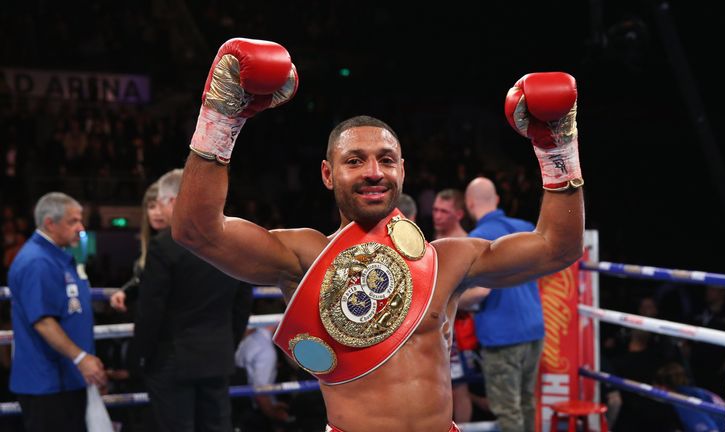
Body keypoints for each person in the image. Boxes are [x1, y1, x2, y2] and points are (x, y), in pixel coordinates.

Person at [172, 38, 584, 432]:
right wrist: (221, 118)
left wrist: (557, 151)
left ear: (402, 171)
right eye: (355, 160)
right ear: (327, 174)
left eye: (386, 160)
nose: (373, 171)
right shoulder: (305, 255)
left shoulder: (448, 259)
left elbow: (557, 248)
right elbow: (197, 231)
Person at [131, 169, 253, 432]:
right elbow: (243, 301)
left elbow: (151, 310)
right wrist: (226, 342)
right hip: (216, 356)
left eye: (162, 203)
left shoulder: (163, 245)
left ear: (174, 201)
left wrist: (138, 356)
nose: (160, 212)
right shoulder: (232, 241)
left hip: (172, 360)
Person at [7, 192, 107, 432]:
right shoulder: (37, 261)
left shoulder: (55, 257)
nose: (80, 228)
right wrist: (82, 359)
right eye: (73, 221)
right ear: (50, 223)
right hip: (48, 384)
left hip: (65, 379)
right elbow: (42, 321)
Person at [457, 177, 544, 432]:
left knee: (508, 411)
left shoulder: (475, 239)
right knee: (527, 401)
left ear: (469, 203)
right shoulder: (526, 227)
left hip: (503, 335)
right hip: (534, 329)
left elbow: (480, 292)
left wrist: (449, 298)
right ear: (496, 200)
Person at [431, 188, 475, 424]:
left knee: (457, 386)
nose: (438, 215)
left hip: (458, 327)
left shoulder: (468, 244)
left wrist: (444, 296)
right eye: (436, 210)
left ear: (458, 214)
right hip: (432, 323)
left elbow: (482, 290)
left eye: (444, 211)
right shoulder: (428, 241)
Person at [109, 181, 168, 312]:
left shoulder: (185, 244)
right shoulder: (151, 243)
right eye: (152, 207)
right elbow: (143, 279)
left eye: (161, 206)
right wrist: (125, 292)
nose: (157, 213)